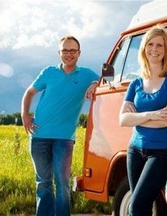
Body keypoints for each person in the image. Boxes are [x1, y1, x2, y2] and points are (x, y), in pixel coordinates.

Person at [21, 35, 99, 216]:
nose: (69, 54)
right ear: (59, 53)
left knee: (62, 181)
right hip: (39, 136)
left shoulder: (87, 74)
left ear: (79, 53)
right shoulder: (48, 72)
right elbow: (29, 93)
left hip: (64, 138)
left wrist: (95, 84)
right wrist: (25, 115)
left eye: (73, 50)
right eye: (65, 50)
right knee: (43, 182)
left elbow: (106, 80)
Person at [119, 25, 167, 216]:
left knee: (137, 206)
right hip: (135, 149)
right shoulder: (136, 83)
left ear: (166, 50)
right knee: (143, 205)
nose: (154, 50)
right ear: (144, 48)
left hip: (163, 151)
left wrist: (137, 118)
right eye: (150, 44)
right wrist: (151, 115)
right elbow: (123, 119)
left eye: (160, 45)